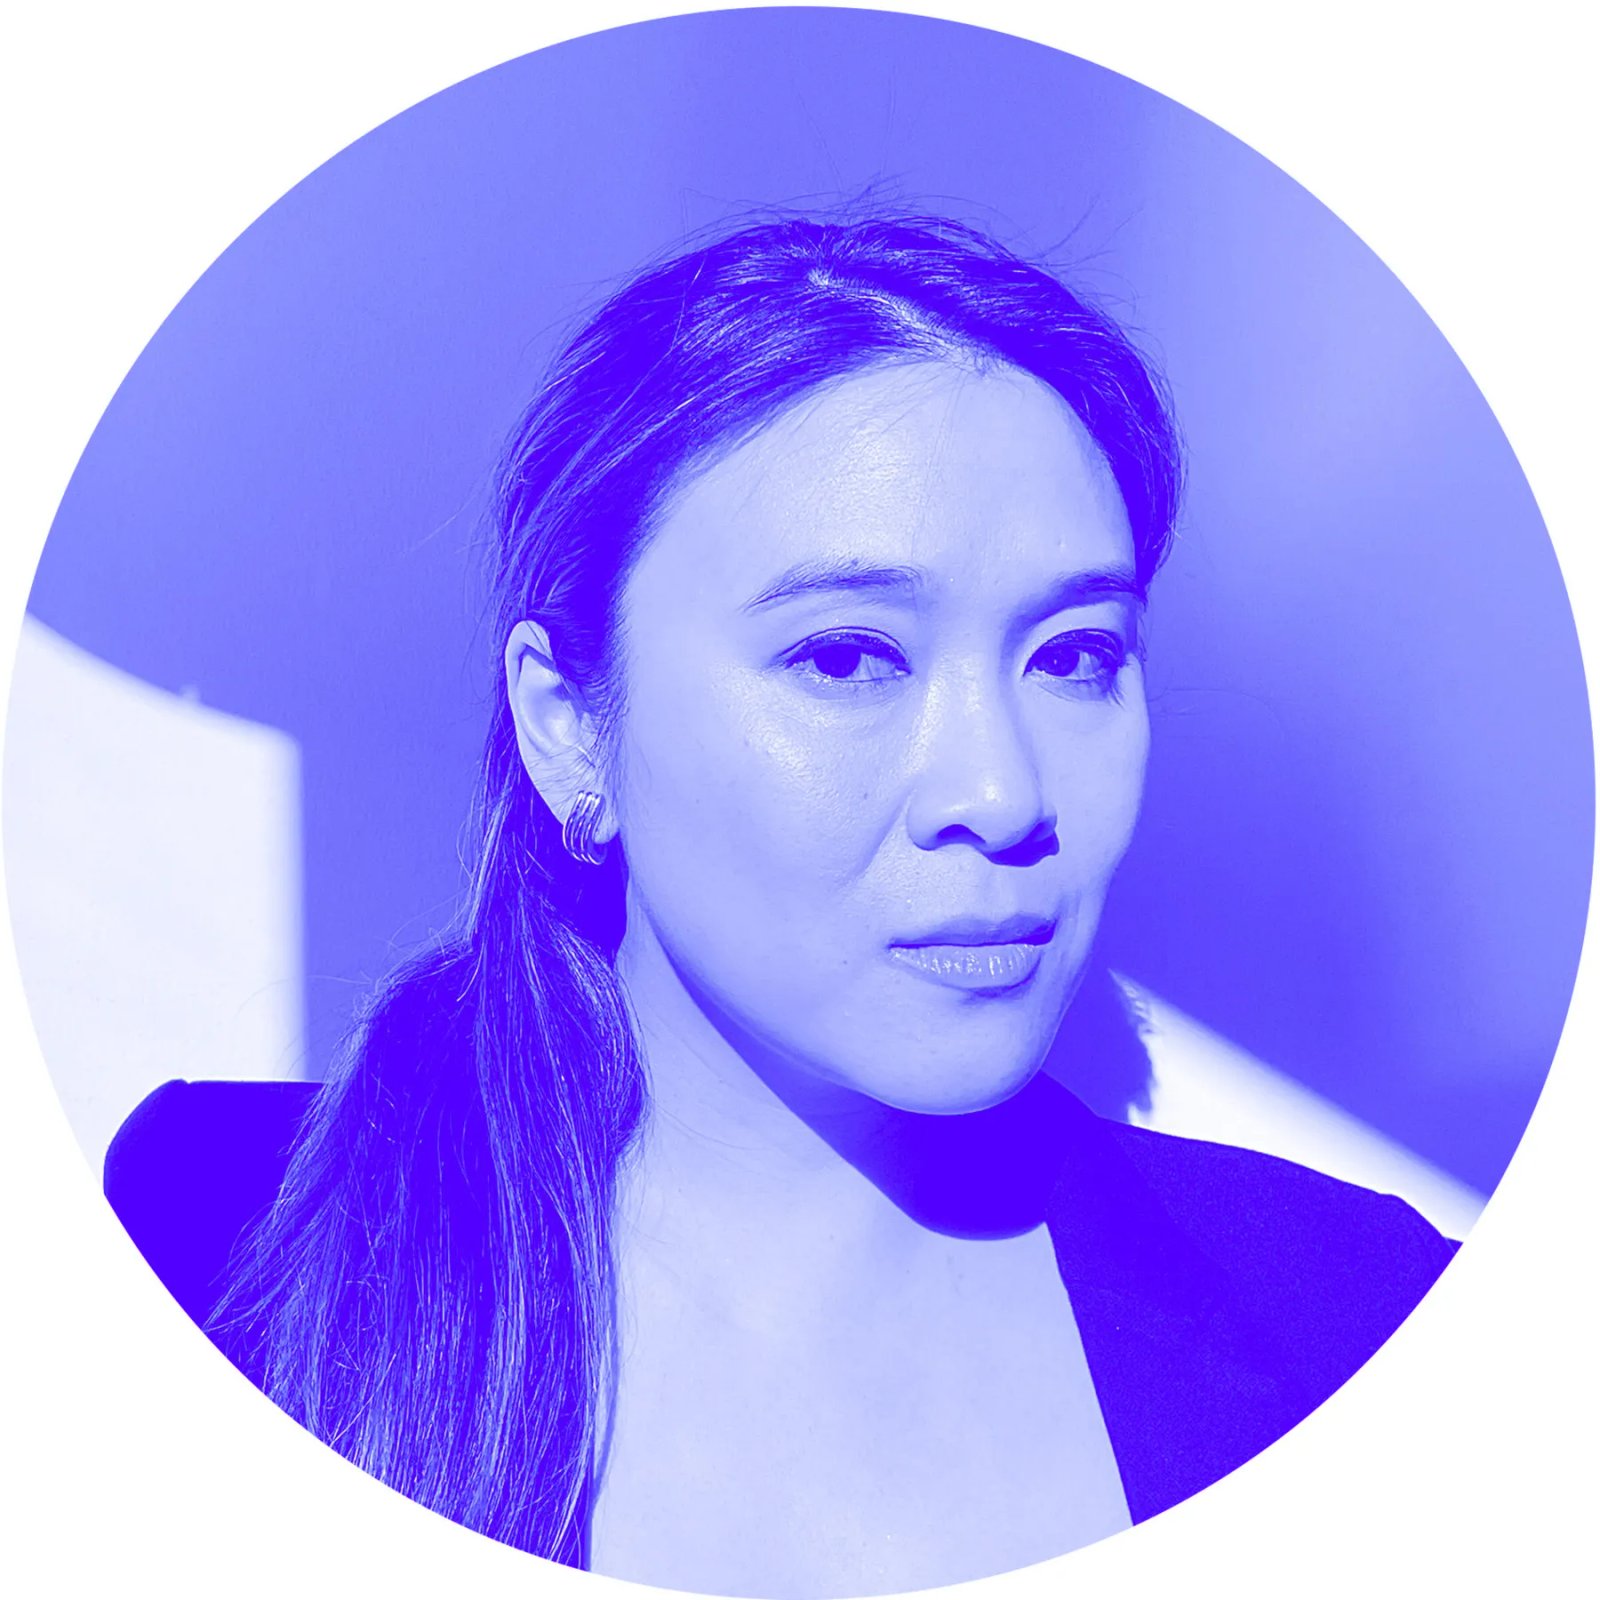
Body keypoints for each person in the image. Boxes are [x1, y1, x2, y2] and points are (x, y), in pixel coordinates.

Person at [105, 214, 1456, 1598]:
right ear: (568, 725)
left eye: (1074, 657)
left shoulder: (1357, 1322)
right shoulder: (202, 1246)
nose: (1001, 794)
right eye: (846, 658)